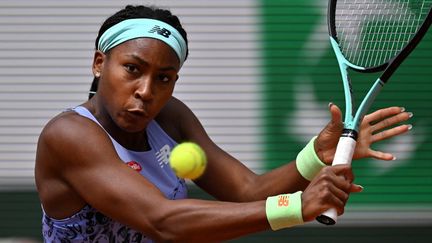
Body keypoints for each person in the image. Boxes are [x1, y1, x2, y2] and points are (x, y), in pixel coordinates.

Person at [34, 5, 413, 242]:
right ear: (100, 64)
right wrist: (297, 206)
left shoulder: (171, 117)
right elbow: (161, 221)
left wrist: (316, 154)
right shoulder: (69, 135)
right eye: (132, 69)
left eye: (164, 78)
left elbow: (248, 190)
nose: (146, 91)